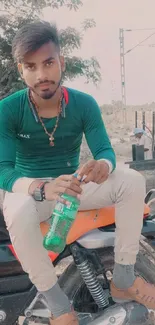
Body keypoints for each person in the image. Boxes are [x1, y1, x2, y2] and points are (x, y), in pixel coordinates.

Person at [0, 21, 154, 325]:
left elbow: (106, 151)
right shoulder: (8, 109)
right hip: (31, 193)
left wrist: (103, 166)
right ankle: (59, 308)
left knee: (133, 181)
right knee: (17, 210)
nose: (41, 75)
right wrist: (41, 188)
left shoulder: (84, 104)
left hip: (74, 188)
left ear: (61, 62)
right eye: (31, 67)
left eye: (48, 63)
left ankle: (123, 278)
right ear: (21, 71)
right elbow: (3, 170)